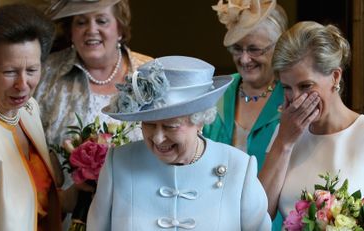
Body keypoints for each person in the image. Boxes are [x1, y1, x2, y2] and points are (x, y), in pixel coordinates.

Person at [86, 56, 271, 230]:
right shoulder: (119, 163)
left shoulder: (238, 168)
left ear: (199, 122)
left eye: (170, 126)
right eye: (149, 124)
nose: (158, 138)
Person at [0, 4, 79, 231]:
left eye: (32, 70)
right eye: (9, 72)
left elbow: (35, 199)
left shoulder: (28, 108)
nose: (23, 85)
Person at [258, 21, 364, 221]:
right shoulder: (282, 133)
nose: (296, 98)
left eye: (306, 86)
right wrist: (284, 142)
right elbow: (257, 215)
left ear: (335, 77)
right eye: (287, 88)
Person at [205, 0, 287, 229]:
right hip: (216, 219)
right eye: (237, 49)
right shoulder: (217, 92)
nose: (244, 59)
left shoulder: (290, 95)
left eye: (254, 49)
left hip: (275, 222)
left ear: (277, 47)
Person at [34, 0, 152, 147]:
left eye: (102, 21)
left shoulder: (150, 75)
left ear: (120, 29)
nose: (91, 30)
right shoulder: (44, 72)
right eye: (81, 22)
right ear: (71, 31)